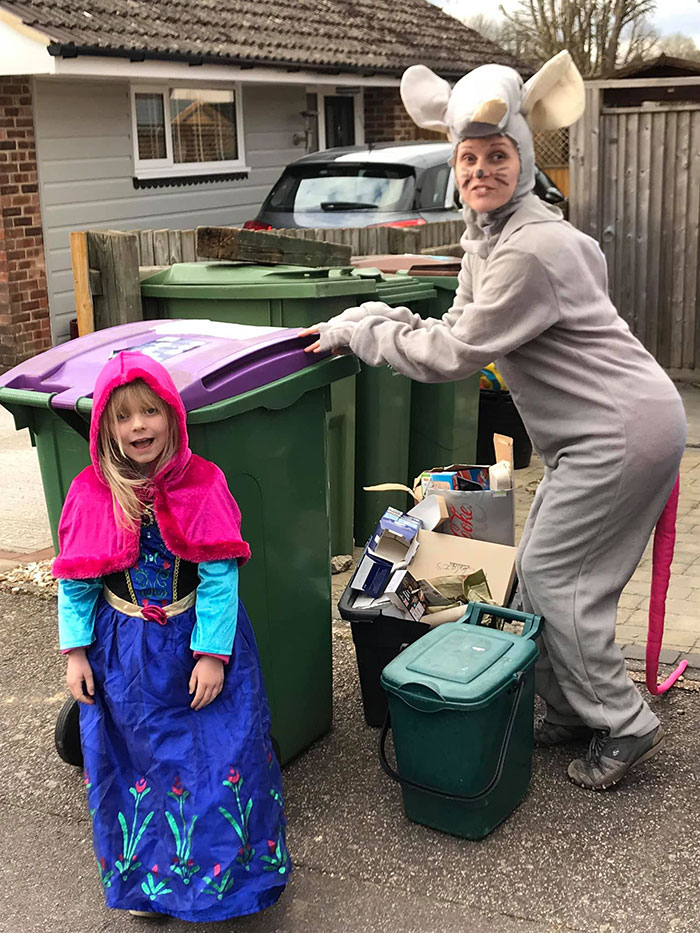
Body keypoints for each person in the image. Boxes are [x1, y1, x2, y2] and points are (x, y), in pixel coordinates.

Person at [301, 51, 686, 791]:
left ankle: (624, 721)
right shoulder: (494, 237)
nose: (481, 169)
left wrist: (360, 328)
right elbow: (456, 322)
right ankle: (575, 705)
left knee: (555, 576)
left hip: (618, 432)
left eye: (498, 155)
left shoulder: (531, 249)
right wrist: (377, 311)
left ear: (524, 160)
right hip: (597, 432)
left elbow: (452, 352)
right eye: (469, 157)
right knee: (540, 576)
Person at [53, 351, 290, 921]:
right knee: (139, 764)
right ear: (105, 426)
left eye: (150, 412)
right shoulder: (92, 492)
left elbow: (218, 578)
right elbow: (79, 581)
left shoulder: (203, 483)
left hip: (195, 644)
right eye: (124, 417)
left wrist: (213, 655)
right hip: (124, 652)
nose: (139, 427)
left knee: (215, 759)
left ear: (172, 415)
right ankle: (147, 886)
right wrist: (76, 651)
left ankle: (226, 887)